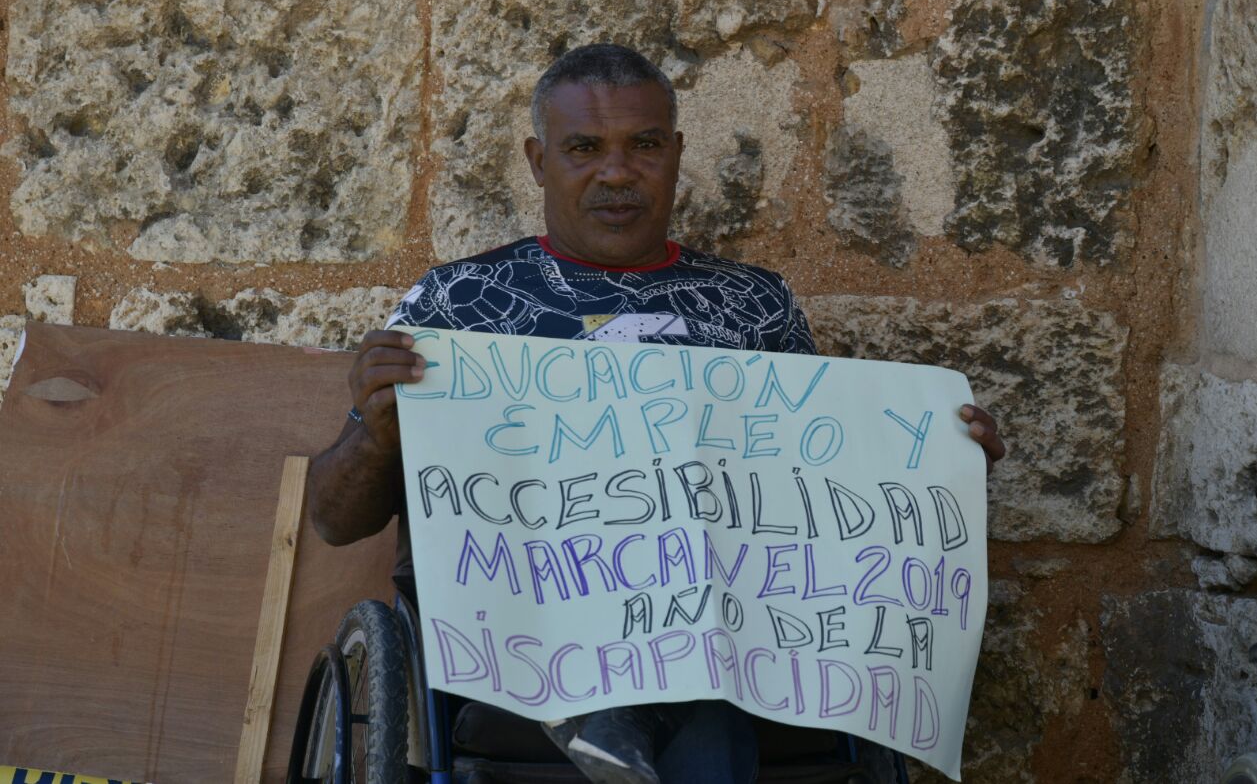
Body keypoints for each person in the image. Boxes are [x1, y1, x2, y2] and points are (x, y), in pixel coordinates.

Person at [307, 43, 1007, 784]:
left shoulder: (753, 306)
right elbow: (334, 517)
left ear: (675, 154)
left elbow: (824, 497)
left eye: (643, 145)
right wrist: (377, 435)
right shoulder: (455, 308)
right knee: (702, 683)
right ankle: (617, 707)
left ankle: (626, 718)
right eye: (584, 148)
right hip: (526, 631)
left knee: (707, 654)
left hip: (726, 633)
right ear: (539, 160)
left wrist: (941, 465)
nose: (616, 172)